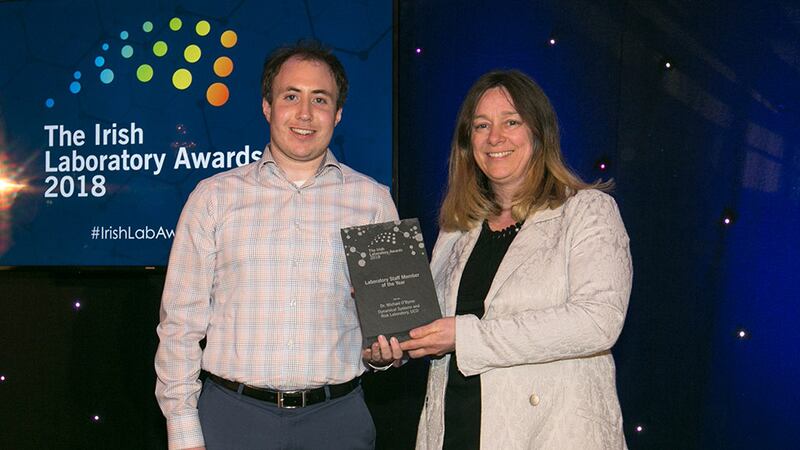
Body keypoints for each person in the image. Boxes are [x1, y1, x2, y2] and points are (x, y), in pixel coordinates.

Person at [155, 41, 403, 450]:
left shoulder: (373, 202)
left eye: (319, 99)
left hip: (337, 422)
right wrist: (183, 431)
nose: (305, 114)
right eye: (291, 96)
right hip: (231, 421)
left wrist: (386, 351)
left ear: (337, 114)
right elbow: (179, 326)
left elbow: (390, 325)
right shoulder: (213, 198)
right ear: (267, 107)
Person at [400, 70, 633, 449]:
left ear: (539, 134)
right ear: (467, 142)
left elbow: (598, 321)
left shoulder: (588, 211)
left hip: (549, 434)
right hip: (456, 429)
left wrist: (465, 335)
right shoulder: (458, 227)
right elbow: (431, 324)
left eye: (511, 122)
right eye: (481, 126)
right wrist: (392, 344)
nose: (495, 138)